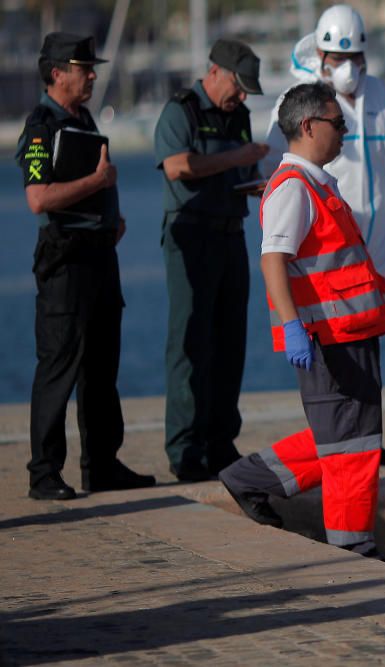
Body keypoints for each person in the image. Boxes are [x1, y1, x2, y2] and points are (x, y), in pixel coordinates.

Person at [219, 82, 385, 557]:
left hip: (350, 334)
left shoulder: (316, 182)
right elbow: (273, 258)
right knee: (350, 449)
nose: (344, 133)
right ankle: (353, 551)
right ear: (308, 126)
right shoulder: (293, 188)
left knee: (347, 438)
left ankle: (248, 476)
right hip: (327, 339)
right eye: (338, 125)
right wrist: (294, 327)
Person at [260, 5, 385, 467]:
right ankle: (336, 446)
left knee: (368, 346)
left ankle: (369, 438)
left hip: (375, 248)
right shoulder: (304, 103)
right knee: (333, 359)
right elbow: (279, 170)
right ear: (320, 53)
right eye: (335, 56)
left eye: (354, 57)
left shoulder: (383, 98)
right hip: (326, 251)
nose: (346, 67)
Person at [16, 33, 155, 500]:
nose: (92, 73)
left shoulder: (84, 116)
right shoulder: (41, 127)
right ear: (57, 72)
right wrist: (96, 182)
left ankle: (102, 463)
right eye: (83, 67)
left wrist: (110, 217)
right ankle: (44, 473)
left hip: (99, 256)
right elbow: (38, 199)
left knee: (101, 364)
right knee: (58, 365)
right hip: (65, 261)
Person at [154, 39, 270, 481]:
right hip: (191, 235)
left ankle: (220, 441)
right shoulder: (180, 110)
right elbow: (178, 166)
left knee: (229, 342)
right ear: (216, 71)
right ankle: (185, 447)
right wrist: (237, 158)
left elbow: (238, 170)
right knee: (189, 343)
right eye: (239, 87)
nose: (242, 98)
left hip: (230, 233)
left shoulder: (238, 115)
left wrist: (257, 180)